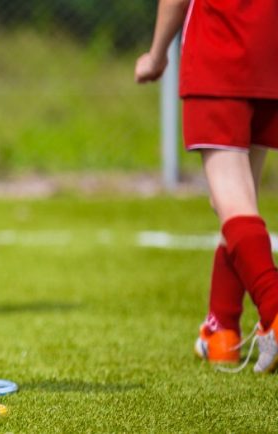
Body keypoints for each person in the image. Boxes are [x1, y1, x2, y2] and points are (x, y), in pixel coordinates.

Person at [135, 0, 278, 372]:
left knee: (232, 198)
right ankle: (221, 330)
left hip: (221, 48)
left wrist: (155, 53)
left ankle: (274, 307)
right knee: (238, 200)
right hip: (270, 50)